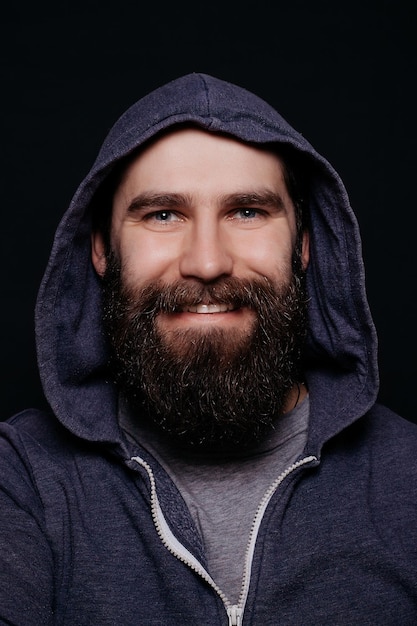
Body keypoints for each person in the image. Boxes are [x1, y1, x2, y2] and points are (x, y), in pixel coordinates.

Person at [1, 73, 416, 626]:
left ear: (305, 247)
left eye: (247, 211)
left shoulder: (407, 478)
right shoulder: (22, 477)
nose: (206, 261)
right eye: (162, 215)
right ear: (101, 249)